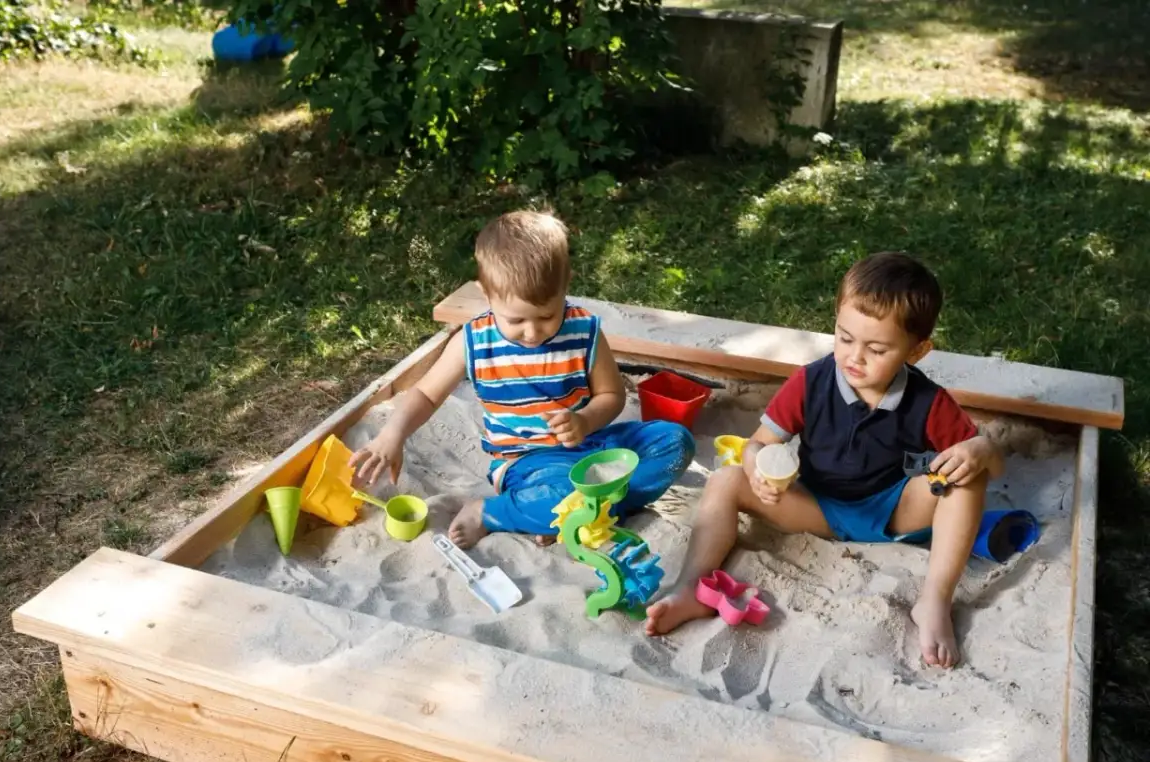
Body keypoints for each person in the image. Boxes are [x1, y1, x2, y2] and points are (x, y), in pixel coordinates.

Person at [645, 252, 1003, 668]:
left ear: (917, 351)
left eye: (877, 348)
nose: (855, 357)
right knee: (725, 480)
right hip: (816, 506)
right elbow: (755, 445)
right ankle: (691, 587)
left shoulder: (929, 402)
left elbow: (993, 468)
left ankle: (934, 601)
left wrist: (982, 449)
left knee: (965, 478)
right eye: (844, 337)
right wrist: (757, 469)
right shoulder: (810, 382)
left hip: (893, 511)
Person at [351, 210, 695, 548]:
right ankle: (493, 512)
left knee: (675, 442)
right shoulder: (473, 341)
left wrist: (585, 420)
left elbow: (611, 395)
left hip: (593, 445)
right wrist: (391, 435)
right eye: (516, 320)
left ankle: (568, 514)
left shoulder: (585, 332)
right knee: (563, 493)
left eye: (547, 315)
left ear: (565, 286)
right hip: (527, 464)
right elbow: (425, 393)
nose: (532, 332)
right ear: (486, 295)